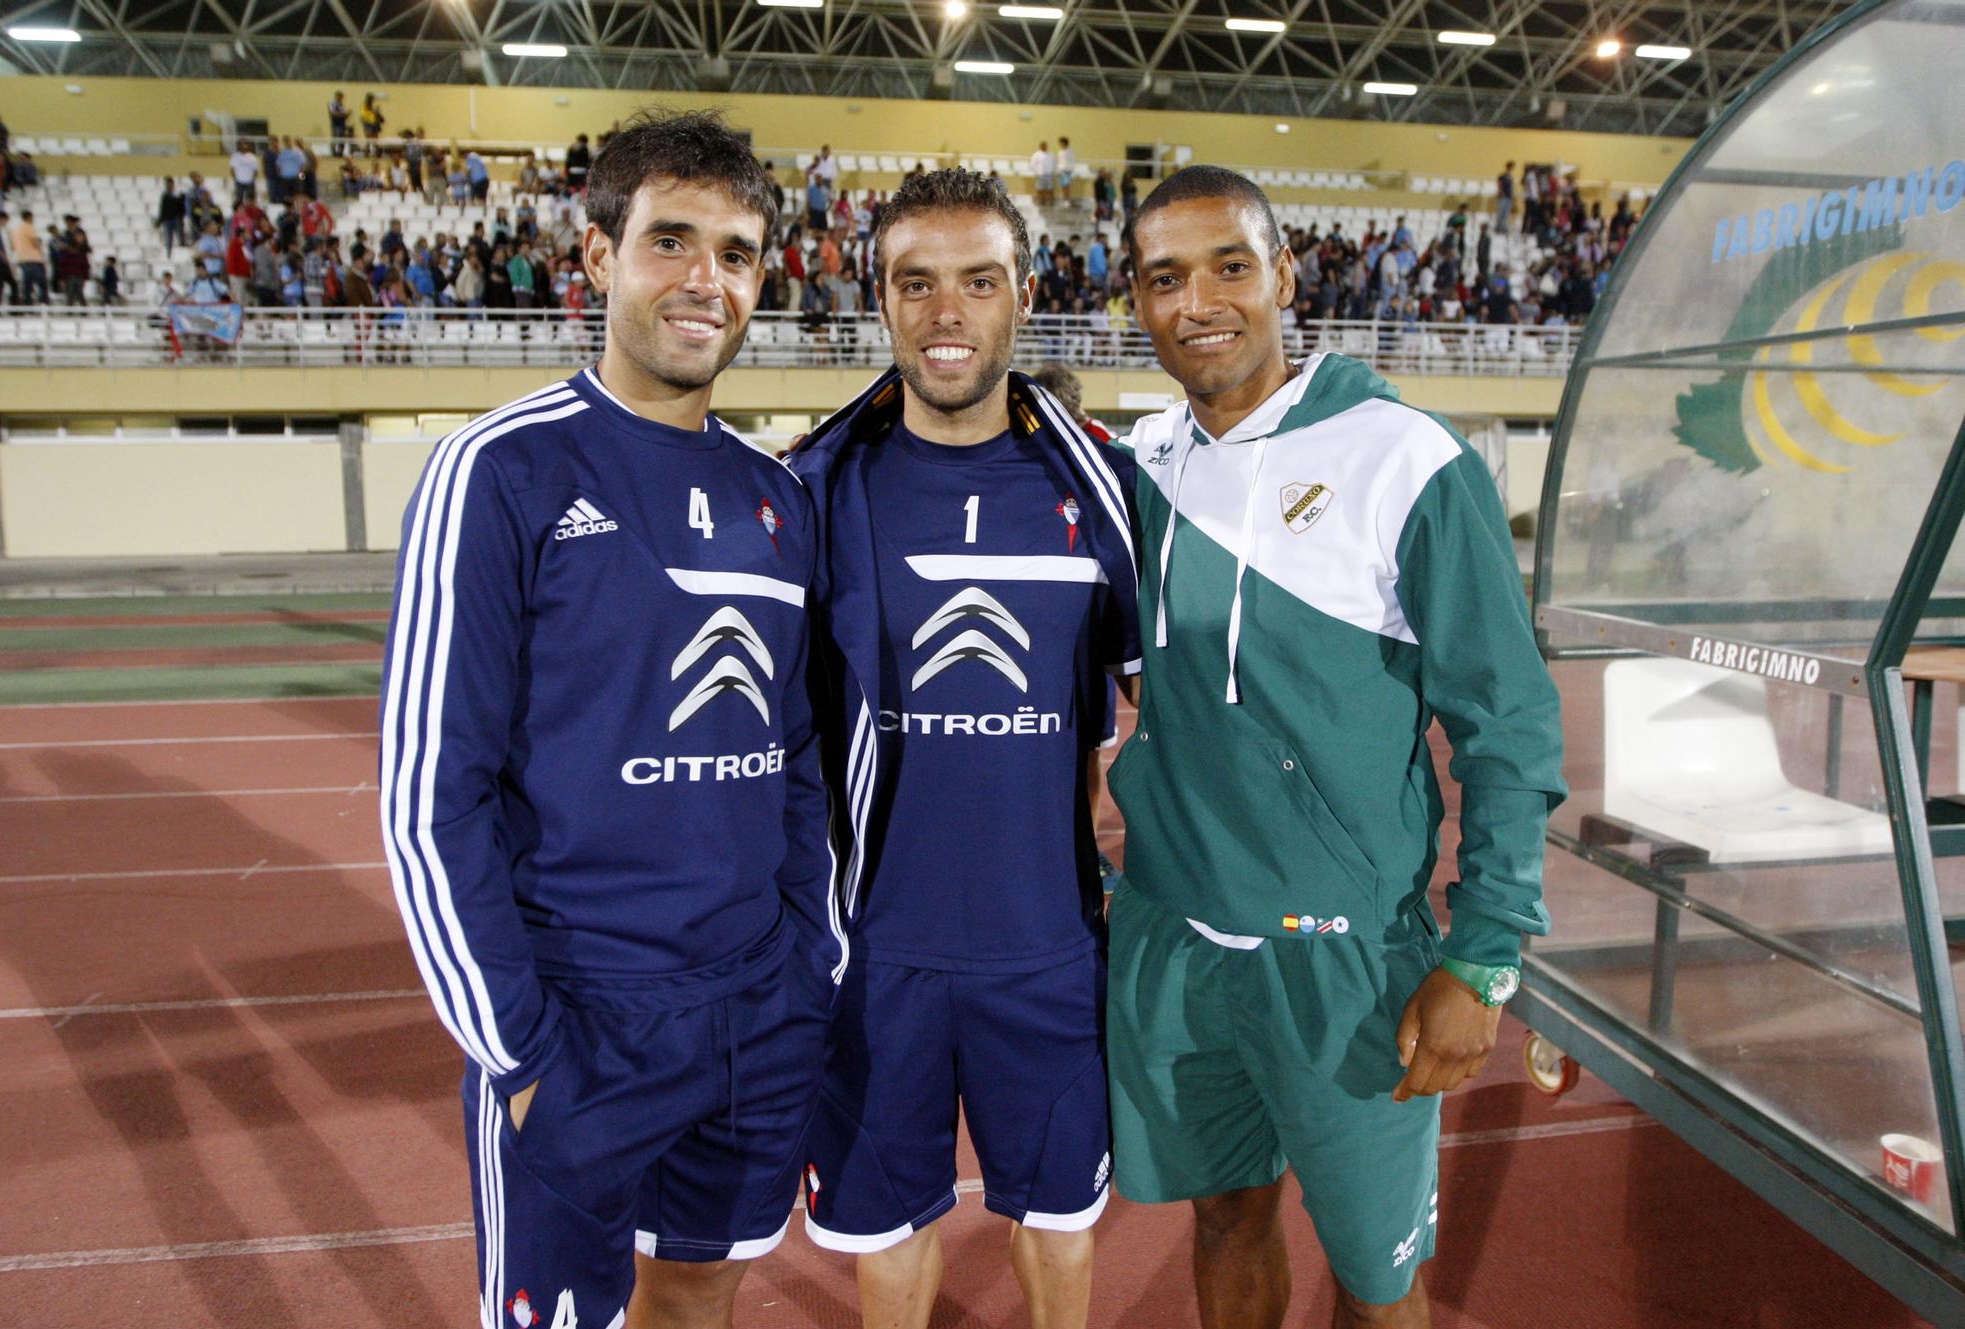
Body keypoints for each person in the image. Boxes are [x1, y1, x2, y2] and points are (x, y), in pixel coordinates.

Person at [378, 108, 837, 1329]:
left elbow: (795, 762)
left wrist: (810, 959)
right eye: (670, 241)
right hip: (580, 1014)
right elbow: (431, 797)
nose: (706, 281)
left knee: (697, 1299)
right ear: (595, 258)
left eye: (736, 254)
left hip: (755, 1007)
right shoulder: (501, 471)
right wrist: (518, 1053)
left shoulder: (776, 496)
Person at [1105, 165, 1564, 1329]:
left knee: (1375, 1279)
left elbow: (1505, 720)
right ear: (1134, 301)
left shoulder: (1401, 456)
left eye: (1229, 267)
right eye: (1165, 278)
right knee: (1224, 1217)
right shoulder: (1137, 466)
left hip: (1343, 955)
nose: (1199, 301)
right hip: (1171, 937)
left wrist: (1485, 952)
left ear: (1285, 278)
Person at [787, 168, 1139, 1329]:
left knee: (1058, 1231)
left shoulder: (1100, 484)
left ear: (1021, 294)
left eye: (977, 282)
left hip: (1046, 945)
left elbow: (1158, 691)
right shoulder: (816, 487)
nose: (947, 312)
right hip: (875, 956)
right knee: (886, 1238)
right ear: (876, 298)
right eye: (916, 283)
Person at [230, 139, 261, 205]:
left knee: (250, 199)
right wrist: (235, 179)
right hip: (239, 181)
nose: (244, 146)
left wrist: (253, 180)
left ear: (248, 146)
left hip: (249, 182)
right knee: (238, 199)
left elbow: (255, 170)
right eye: (242, 144)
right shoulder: (235, 156)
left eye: (245, 144)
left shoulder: (252, 157)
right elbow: (232, 169)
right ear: (240, 146)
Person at [1029, 140, 1053, 208]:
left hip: (1049, 174)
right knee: (1040, 189)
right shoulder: (1036, 155)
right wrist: (1036, 172)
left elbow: (1053, 163)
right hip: (1040, 175)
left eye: (1045, 146)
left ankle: (1050, 202)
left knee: (1050, 189)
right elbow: (1033, 164)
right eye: (1043, 146)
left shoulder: (1050, 154)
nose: (1044, 147)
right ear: (1040, 147)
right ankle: (1041, 201)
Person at [1055, 136, 1076, 206]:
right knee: (1063, 187)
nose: (1061, 145)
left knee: (1067, 186)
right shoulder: (1060, 152)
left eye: (1062, 143)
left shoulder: (1070, 152)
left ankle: (1067, 200)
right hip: (1061, 172)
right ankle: (1065, 199)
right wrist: (1058, 171)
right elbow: (1059, 162)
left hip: (1067, 171)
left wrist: (1070, 170)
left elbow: (1072, 161)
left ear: (1065, 143)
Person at [328, 91, 350, 156]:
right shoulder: (332, 103)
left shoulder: (341, 104)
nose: (341, 99)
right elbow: (334, 113)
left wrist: (347, 114)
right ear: (337, 96)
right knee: (335, 137)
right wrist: (343, 114)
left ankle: (340, 152)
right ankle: (333, 153)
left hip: (342, 123)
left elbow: (344, 113)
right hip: (336, 123)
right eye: (340, 97)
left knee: (342, 138)